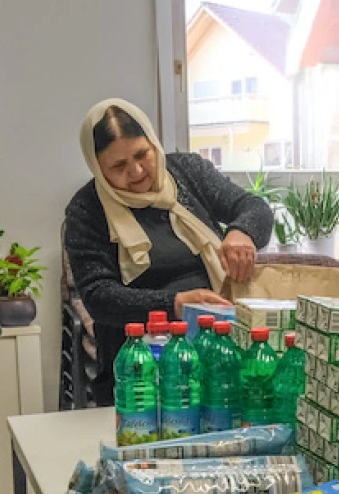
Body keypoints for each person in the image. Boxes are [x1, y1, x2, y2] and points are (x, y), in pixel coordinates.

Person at [66, 99, 272, 404]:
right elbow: (99, 296)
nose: (136, 171)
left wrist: (242, 232)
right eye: (118, 166)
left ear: (153, 142)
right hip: (140, 371)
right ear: (98, 167)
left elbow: (254, 207)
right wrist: (174, 305)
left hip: (218, 353)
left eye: (141, 155)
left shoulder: (188, 172)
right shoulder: (87, 209)